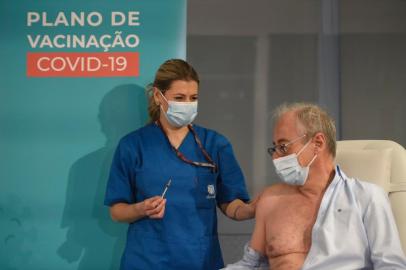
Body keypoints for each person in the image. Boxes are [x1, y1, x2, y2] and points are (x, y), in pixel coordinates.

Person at [104, 59, 257, 270]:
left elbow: (231, 204)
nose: (187, 104)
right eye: (179, 98)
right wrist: (141, 208)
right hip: (147, 261)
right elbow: (117, 211)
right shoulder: (133, 146)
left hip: (200, 260)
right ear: (158, 96)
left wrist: (252, 210)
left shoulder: (215, 144)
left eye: (193, 98)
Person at [224, 102, 406, 270]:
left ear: (318, 143)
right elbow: (250, 265)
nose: (275, 157)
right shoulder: (271, 200)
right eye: (275, 148)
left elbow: (391, 266)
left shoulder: (367, 197)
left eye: (284, 146)